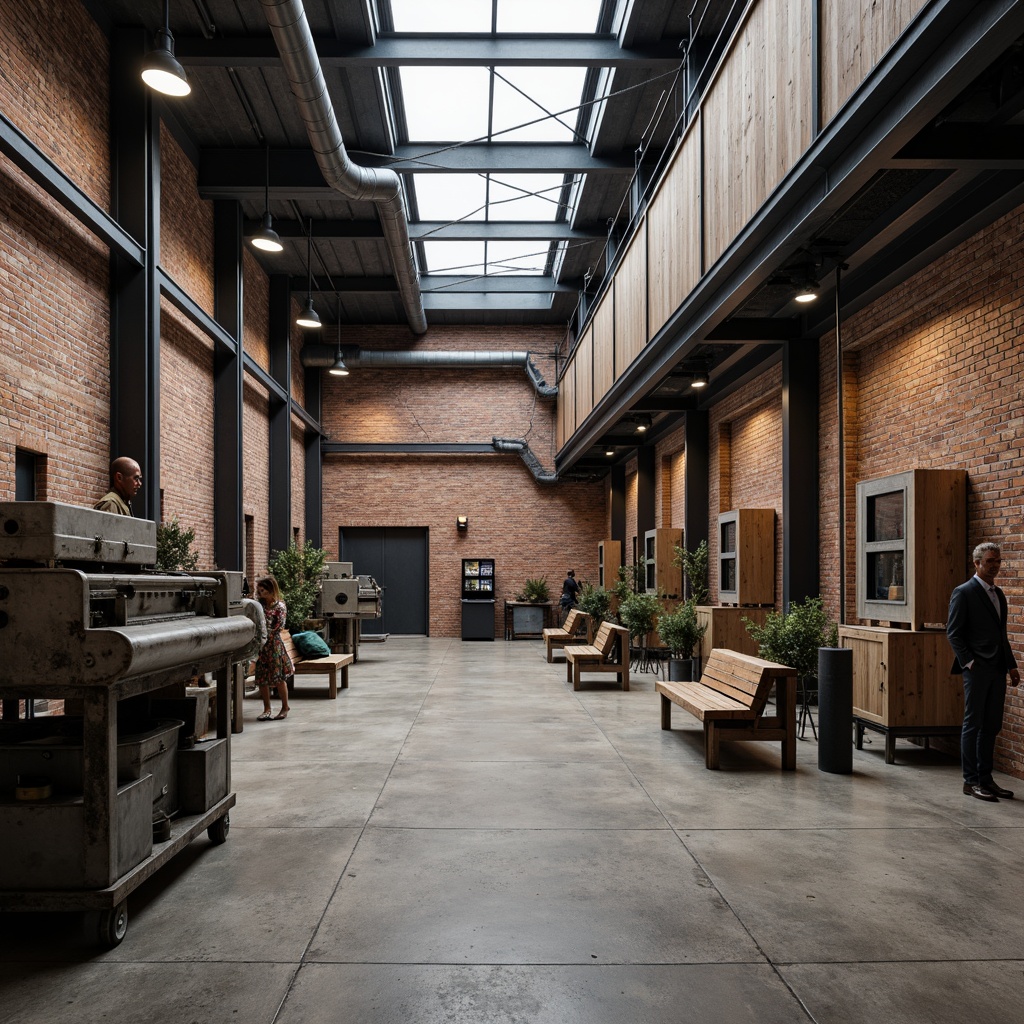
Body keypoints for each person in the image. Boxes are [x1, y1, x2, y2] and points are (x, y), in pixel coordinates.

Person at [947, 542, 1021, 801]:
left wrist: (1011, 665)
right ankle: (971, 782)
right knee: (973, 724)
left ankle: (986, 779)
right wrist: (969, 663)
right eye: (990, 561)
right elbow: (953, 633)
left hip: (998, 668)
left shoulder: (998, 594)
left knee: (991, 725)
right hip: (977, 670)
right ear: (976, 563)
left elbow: (1001, 635)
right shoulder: (963, 592)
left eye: (998, 561)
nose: (995, 566)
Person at [254, 575, 293, 721]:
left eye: (263, 590)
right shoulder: (260, 605)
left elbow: (278, 627)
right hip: (262, 646)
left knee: (278, 677)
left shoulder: (279, 607)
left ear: (271, 590)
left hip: (273, 645)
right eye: (259, 591)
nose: (260, 593)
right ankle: (267, 709)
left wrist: (265, 637)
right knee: (262, 678)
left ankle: (285, 707)